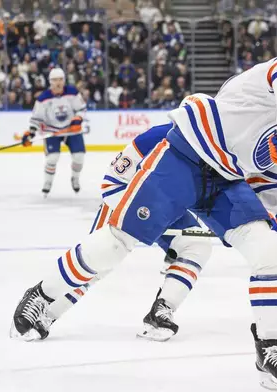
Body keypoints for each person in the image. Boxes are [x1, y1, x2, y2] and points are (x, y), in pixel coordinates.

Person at [11, 34, 277, 392]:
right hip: (186, 157)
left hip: (225, 180)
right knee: (117, 243)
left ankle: (269, 350)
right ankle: (42, 295)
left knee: (269, 251)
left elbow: (265, 174)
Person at [46, 113, 211, 342]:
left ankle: (162, 311)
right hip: (126, 200)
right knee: (101, 261)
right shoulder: (155, 137)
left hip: (166, 207)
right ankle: (45, 312)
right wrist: (137, 216)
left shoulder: (212, 147)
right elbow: (111, 183)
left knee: (197, 243)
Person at [21, 68, 88, 196]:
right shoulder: (43, 98)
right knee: (52, 158)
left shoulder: (72, 92)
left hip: (71, 130)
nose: (58, 83)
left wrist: (77, 119)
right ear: (50, 82)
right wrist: (30, 133)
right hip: (51, 131)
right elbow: (36, 118)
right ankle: (48, 182)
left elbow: (81, 109)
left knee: (79, 157)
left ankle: (75, 178)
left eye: (61, 79)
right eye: (55, 80)